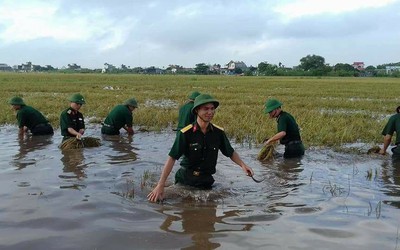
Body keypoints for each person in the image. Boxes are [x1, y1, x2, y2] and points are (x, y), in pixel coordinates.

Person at [148, 94, 254, 202]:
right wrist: (160, 185)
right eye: (206, 109)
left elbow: (230, 152)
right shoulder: (185, 133)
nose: (210, 112)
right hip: (185, 181)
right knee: (160, 199)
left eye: (212, 109)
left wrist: (243, 165)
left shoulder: (218, 133)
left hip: (206, 182)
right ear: (197, 111)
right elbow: (172, 158)